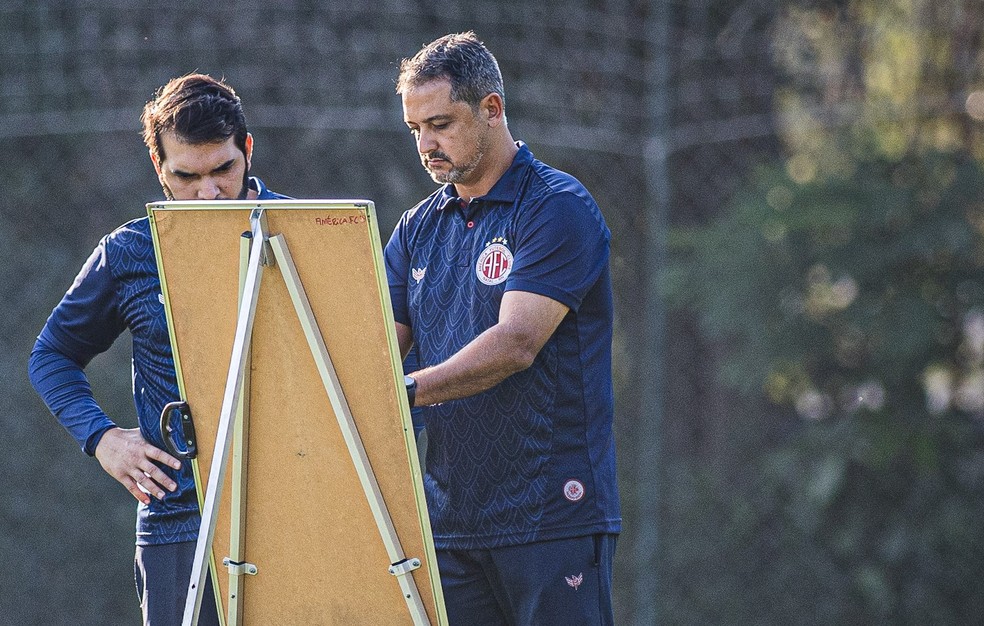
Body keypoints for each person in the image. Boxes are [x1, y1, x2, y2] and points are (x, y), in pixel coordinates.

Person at [28, 73, 289, 625]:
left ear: (247, 149)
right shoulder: (127, 253)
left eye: (223, 170)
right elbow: (51, 354)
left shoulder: (309, 232)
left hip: (298, 511)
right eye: (187, 176)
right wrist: (102, 440)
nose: (209, 193)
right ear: (158, 166)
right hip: (177, 523)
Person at [386, 32, 621, 624]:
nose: (426, 145)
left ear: (492, 109)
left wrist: (402, 391)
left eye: (440, 124)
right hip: (448, 524)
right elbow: (377, 344)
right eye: (415, 129)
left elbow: (517, 343)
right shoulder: (417, 228)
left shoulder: (556, 206)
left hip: (551, 516)